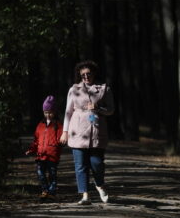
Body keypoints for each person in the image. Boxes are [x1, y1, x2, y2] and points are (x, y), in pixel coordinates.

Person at [60, 60, 114, 205]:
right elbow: (68, 111)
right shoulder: (74, 89)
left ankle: (100, 185)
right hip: (77, 130)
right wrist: (64, 132)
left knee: (97, 163)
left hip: (97, 131)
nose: (85, 77)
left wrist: (98, 108)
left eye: (88, 74)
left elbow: (111, 109)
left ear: (94, 73)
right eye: (82, 74)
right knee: (80, 165)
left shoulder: (104, 88)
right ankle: (85, 195)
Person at [26, 95, 63, 200]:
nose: (48, 115)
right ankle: (45, 190)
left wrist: (57, 144)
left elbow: (62, 139)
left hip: (52, 155)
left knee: (52, 175)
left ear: (55, 112)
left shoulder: (58, 125)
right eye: (46, 112)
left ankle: (51, 192)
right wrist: (31, 149)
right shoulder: (40, 125)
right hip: (41, 155)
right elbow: (36, 140)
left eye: (51, 112)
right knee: (40, 173)